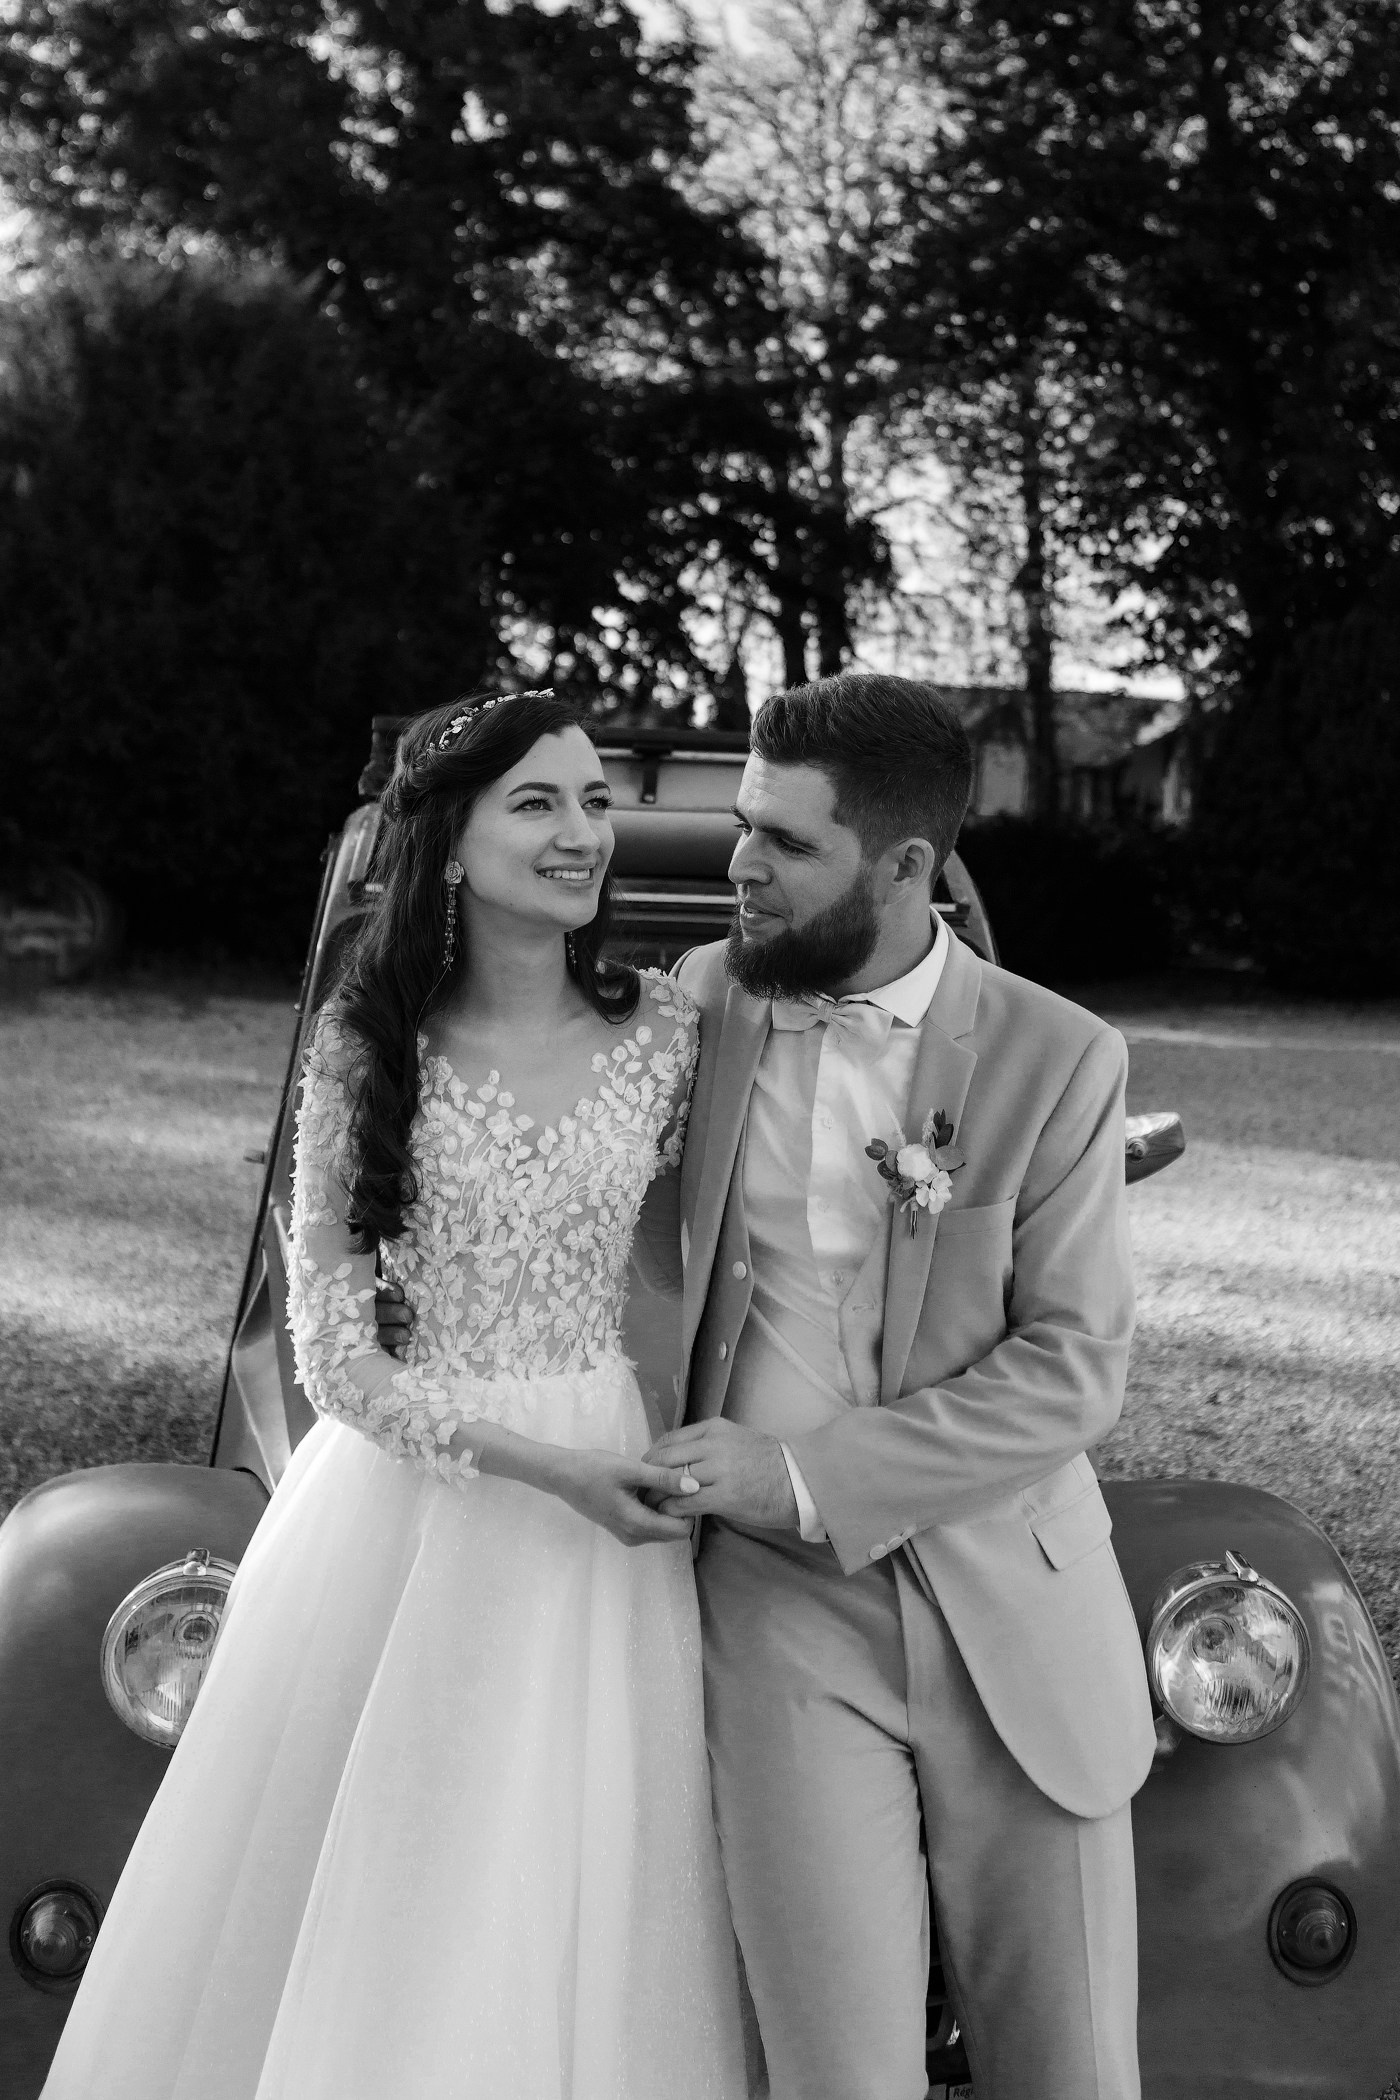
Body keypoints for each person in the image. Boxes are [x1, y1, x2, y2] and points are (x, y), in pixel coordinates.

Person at [40, 690, 749, 2100]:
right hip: (413, 1504)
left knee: (580, 1865)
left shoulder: (670, 1031)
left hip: (615, 1498)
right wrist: (553, 1470)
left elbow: (720, 1250)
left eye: (594, 801)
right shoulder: (368, 1048)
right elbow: (334, 1362)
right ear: (450, 842)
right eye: (536, 804)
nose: (581, 833)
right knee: (391, 1860)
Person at [640, 673, 1157, 2100]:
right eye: (742, 826)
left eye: (785, 842)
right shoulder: (697, 1006)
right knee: (833, 2073)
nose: (741, 866)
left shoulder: (1064, 1056)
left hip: (1013, 1595)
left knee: (1070, 2067)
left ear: (905, 865)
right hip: (775, 1612)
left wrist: (807, 1474)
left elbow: (1073, 1368)